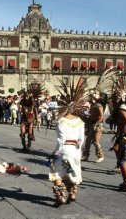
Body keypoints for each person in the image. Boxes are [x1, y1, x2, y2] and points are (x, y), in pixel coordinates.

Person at [49, 76, 88, 206]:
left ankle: (60, 196)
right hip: (75, 150)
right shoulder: (80, 121)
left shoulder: (61, 121)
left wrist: (55, 152)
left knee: (57, 173)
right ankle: (72, 194)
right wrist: (78, 150)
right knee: (72, 171)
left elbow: (61, 139)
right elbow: (82, 139)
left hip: (64, 150)